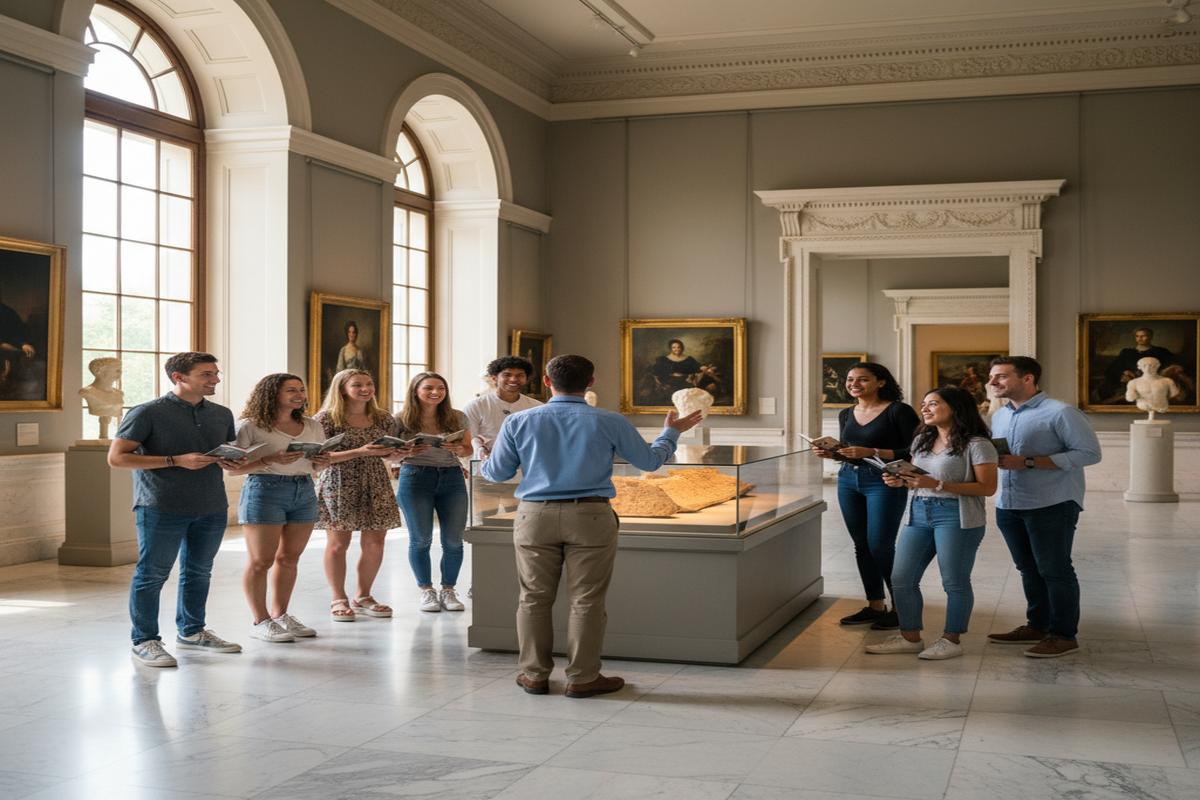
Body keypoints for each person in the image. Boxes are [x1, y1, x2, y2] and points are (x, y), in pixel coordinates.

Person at [482, 354, 702, 698]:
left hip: (534, 516)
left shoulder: (519, 421)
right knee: (586, 600)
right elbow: (650, 462)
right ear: (590, 382)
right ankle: (583, 678)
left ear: (546, 382)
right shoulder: (609, 420)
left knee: (533, 598)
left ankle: (534, 675)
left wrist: (485, 456)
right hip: (590, 516)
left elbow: (496, 473)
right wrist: (670, 433)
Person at [108, 352, 244, 667]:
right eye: (206, 374)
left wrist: (232, 461)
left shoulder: (222, 414)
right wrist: (175, 460)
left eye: (216, 373)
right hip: (161, 506)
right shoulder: (147, 412)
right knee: (152, 574)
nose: (216, 380)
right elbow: (116, 458)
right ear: (178, 377)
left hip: (211, 505)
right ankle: (144, 640)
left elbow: (226, 454)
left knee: (199, 572)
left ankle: (193, 631)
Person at [865, 386, 998, 660]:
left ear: (955, 408)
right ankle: (909, 638)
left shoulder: (978, 444)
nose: (925, 408)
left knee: (954, 582)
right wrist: (900, 481)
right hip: (918, 513)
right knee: (901, 578)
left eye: (933, 403)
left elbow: (987, 488)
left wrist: (937, 484)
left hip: (957, 515)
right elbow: (917, 481)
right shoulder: (921, 440)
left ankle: (952, 640)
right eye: (924, 403)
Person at [986, 356, 1102, 658]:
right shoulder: (999, 415)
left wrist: (1028, 462)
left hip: (1052, 503)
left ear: (1028, 378)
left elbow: (1089, 453)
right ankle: (1037, 625)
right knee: (1027, 568)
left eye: (1001, 376)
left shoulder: (1061, 412)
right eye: (992, 376)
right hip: (1009, 503)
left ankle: (1063, 635)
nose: (992, 382)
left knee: (1054, 569)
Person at [813, 362, 920, 631]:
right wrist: (833, 453)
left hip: (884, 481)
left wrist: (872, 451)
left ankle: (902, 608)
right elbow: (851, 452)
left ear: (881, 382)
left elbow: (916, 450)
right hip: (848, 480)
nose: (854, 384)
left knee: (880, 545)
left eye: (862, 379)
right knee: (861, 544)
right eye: (850, 380)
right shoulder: (846, 413)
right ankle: (875, 605)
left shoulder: (899, 411)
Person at [228, 373, 331, 643]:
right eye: (291, 390)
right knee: (261, 561)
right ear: (272, 393)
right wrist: (269, 460)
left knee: (289, 559)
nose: (299, 395)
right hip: (264, 490)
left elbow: (316, 465)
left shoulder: (313, 425)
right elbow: (232, 470)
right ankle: (260, 621)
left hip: (304, 489)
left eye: (301, 389)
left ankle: (281, 614)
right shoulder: (250, 426)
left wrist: (322, 461)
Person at [315, 369, 406, 622]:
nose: (365, 389)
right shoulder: (325, 419)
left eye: (369, 383)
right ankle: (338, 598)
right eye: (357, 385)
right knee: (338, 544)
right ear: (342, 389)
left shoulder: (383, 418)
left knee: (376, 542)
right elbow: (318, 458)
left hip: (376, 480)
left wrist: (399, 453)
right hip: (339, 481)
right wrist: (360, 451)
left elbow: (385, 453)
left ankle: (363, 596)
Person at [395, 372, 474, 613]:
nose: (435, 392)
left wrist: (458, 448)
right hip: (415, 477)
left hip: (452, 477)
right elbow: (390, 454)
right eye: (428, 388)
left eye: (441, 388)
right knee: (421, 539)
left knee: (453, 540)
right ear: (415, 391)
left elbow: (468, 449)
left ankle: (448, 589)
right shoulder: (400, 419)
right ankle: (426, 590)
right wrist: (407, 452)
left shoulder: (457, 417)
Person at [463, 356, 543, 459]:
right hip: (487, 463)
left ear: (526, 379)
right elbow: (468, 440)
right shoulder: (476, 406)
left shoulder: (537, 407)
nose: (513, 379)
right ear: (494, 378)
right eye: (507, 375)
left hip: (525, 464)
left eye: (520, 375)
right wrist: (479, 448)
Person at [1097, 327, 1175, 403]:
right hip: (1128, 380)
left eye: (1143, 336)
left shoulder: (1160, 351)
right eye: (1137, 336)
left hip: (1151, 381)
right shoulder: (1127, 352)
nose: (1140, 338)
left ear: (1150, 337)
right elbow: (1114, 367)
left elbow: (1171, 364)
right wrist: (1123, 372)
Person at [79, 356, 124, 439]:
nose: (120, 372)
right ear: (99, 371)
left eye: (120, 369)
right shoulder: (87, 392)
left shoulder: (119, 393)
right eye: (116, 369)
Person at [647, 339, 703, 403]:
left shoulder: (689, 359)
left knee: (688, 397)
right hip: (670, 382)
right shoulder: (663, 359)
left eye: (679, 347)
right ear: (670, 349)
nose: (677, 349)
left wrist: (691, 377)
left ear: (682, 348)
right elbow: (657, 373)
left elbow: (698, 368)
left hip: (685, 382)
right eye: (674, 347)